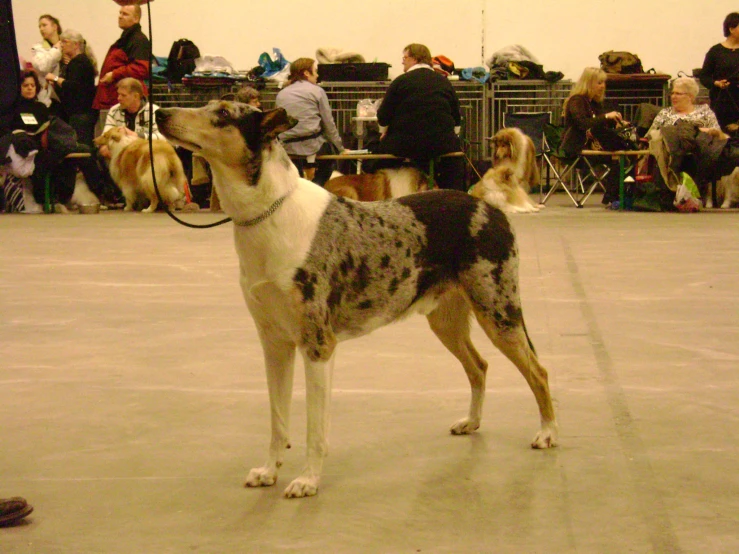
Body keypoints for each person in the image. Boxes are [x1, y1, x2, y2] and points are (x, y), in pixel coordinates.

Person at [9, 71, 106, 210]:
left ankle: (95, 193)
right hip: (28, 147)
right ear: (18, 88)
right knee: (49, 158)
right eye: (25, 85)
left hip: (50, 143)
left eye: (32, 85)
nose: (30, 88)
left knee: (85, 151)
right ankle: (48, 199)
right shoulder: (13, 109)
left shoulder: (41, 107)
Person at [375, 43, 464, 190]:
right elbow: (456, 121)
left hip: (405, 145)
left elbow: (383, 117)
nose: (402, 61)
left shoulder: (400, 81)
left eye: (405, 57)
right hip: (441, 144)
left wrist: (383, 132)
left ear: (415, 59)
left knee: (375, 156)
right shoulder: (444, 82)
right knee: (452, 161)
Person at [275, 58, 346, 184]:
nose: (318, 75)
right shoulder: (317, 91)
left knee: (295, 177)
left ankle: (299, 185)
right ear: (306, 73)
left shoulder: (281, 94)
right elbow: (328, 124)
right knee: (330, 158)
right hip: (313, 144)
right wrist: (340, 148)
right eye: (315, 71)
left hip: (286, 147)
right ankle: (317, 186)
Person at [561, 67, 625, 206]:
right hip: (576, 148)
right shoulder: (576, 101)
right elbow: (583, 124)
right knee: (620, 153)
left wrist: (617, 123)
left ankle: (614, 196)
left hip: (594, 145)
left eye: (604, 83)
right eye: (599, 83)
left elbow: (599, 125)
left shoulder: (595, 103)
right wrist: (606, 116)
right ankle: (614, 196)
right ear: (589, 83)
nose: (603, 86)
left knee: (621, 156)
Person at [92, 3, 150, 135]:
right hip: (110, 98)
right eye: (120, 13)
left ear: (136, 18)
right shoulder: (126, 39)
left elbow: (141, 68)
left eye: (125, 14)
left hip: (117, 101)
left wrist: (114, 74)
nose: (120, 16)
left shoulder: (138, 40)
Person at [46, 29, 98, 146]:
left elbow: (72, 86)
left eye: (65, 42)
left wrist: (54, 78)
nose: (61, 46)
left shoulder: (79, 62)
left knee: (82, 147)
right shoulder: (78, 62)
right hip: (79, 113)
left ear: (76, 44)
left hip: (81, 113)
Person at [98, 78, 163, 159]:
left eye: (123, 95)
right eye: (118, 94)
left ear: (136, 96)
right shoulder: (114, 111)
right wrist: (104, 146)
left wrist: (137, 135)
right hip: (121, 156)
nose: (119, 98)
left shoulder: (154, 111)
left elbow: (163, 138)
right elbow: (106, 134)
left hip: (147, 156)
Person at [700, 12, 739, 129]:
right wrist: (716, 83)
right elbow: (704, 76)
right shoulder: (715, 51)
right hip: (721, 102)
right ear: (731, 29)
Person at [647, 77, 720, 135]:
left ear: (691, 96)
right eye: (672, 93)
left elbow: (718, 135)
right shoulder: (664, 113)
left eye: (678, 94)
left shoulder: (705, 112)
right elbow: (650, 137)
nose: (673, 97)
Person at [30, 14, 62, 109]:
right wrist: (56, 49)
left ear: (55, 27)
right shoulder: (37, 48)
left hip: (67, 94)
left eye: (44, 25)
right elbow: (43, 67)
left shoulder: (67, 43)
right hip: (50, 97)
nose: (41, 29)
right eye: (39, 26)